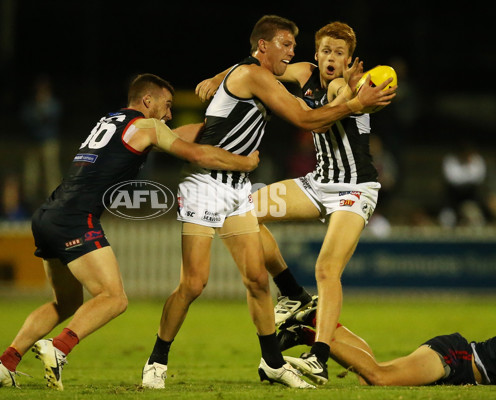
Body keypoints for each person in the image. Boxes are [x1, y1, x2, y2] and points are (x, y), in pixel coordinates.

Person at [142, 16, 395, 390]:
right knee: (249, 211)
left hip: (355, 188)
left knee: (326, 269)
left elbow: (327, 114)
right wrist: (220, 77)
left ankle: (320, 357)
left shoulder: (347, 85)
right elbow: (255, 66)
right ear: (316, 53)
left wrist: (360, 101)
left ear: (349, 60)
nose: (331, 57)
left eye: (339, 53)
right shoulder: (304, 72)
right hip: (317, 182)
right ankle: (293, 294)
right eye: (325, 49)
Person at [0, 73, 260, 390]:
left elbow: (173, 136)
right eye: (167, 105)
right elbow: (196, 154)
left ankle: (5, 362)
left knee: (66, 304)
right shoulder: (147, 127)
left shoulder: (113, 120)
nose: (168, 114)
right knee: (114, 298)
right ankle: (58, 348)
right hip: (76, 219)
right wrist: (244, 162)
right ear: (148, 101)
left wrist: (208, 129)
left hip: (48, 214)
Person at [277, 306, 496, 386]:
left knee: (368, 375)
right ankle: (307, 333)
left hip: (460, 365)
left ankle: (313, 319)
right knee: (381, 377)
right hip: (457, 358)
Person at [21, 75, 63, 208]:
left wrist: (40, 113)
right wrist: (38, 113)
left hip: (49, 142)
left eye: (43, 89)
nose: (40, 92)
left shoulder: (53, 104)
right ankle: (30, 203)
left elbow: (50, 116)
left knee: (51, 174)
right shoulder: (31, 105)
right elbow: (26, 117)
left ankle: (55, 203)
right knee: (31, 175)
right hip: (33, 143)